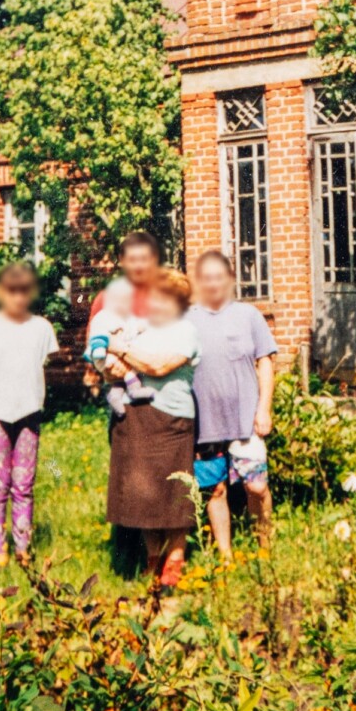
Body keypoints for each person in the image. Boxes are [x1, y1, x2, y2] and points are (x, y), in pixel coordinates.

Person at [105, 268, 201, 588]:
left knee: (174, 494)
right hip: (137, 418)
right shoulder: (139, 328)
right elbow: (111, 366)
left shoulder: (186, 330)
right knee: (144, 493)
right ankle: (152, 559)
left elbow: (158, 366)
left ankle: (174, 561)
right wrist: (112, 362)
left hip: (172, 419)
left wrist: (121, 349)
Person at [0, 261, 59, 567]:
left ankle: (22, 547)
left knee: (24, 483)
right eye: (11, 291)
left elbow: (42, 366)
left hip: (29, 411)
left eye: (23, 291)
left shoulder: (42, 327)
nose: (17, 297)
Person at [187, 251, 277, 560]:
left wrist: (263, 408)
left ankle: (265, 549)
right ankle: (225, 556)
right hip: (205, 425)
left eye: (219, 277)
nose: (213, 284)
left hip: (245, 421)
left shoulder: (249, 315)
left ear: (230, 280)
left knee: (256, 488)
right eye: (206, 278)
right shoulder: (188, 319)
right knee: (215, 489)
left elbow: (265, 362)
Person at [84, 277, 151, 416]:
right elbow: (95, 331)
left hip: (131, 358)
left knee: (124, 376)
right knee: (127, 372)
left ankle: (115, 396)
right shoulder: (105, 305)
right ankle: (134, 391)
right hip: (112, 357)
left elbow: (139, 326)